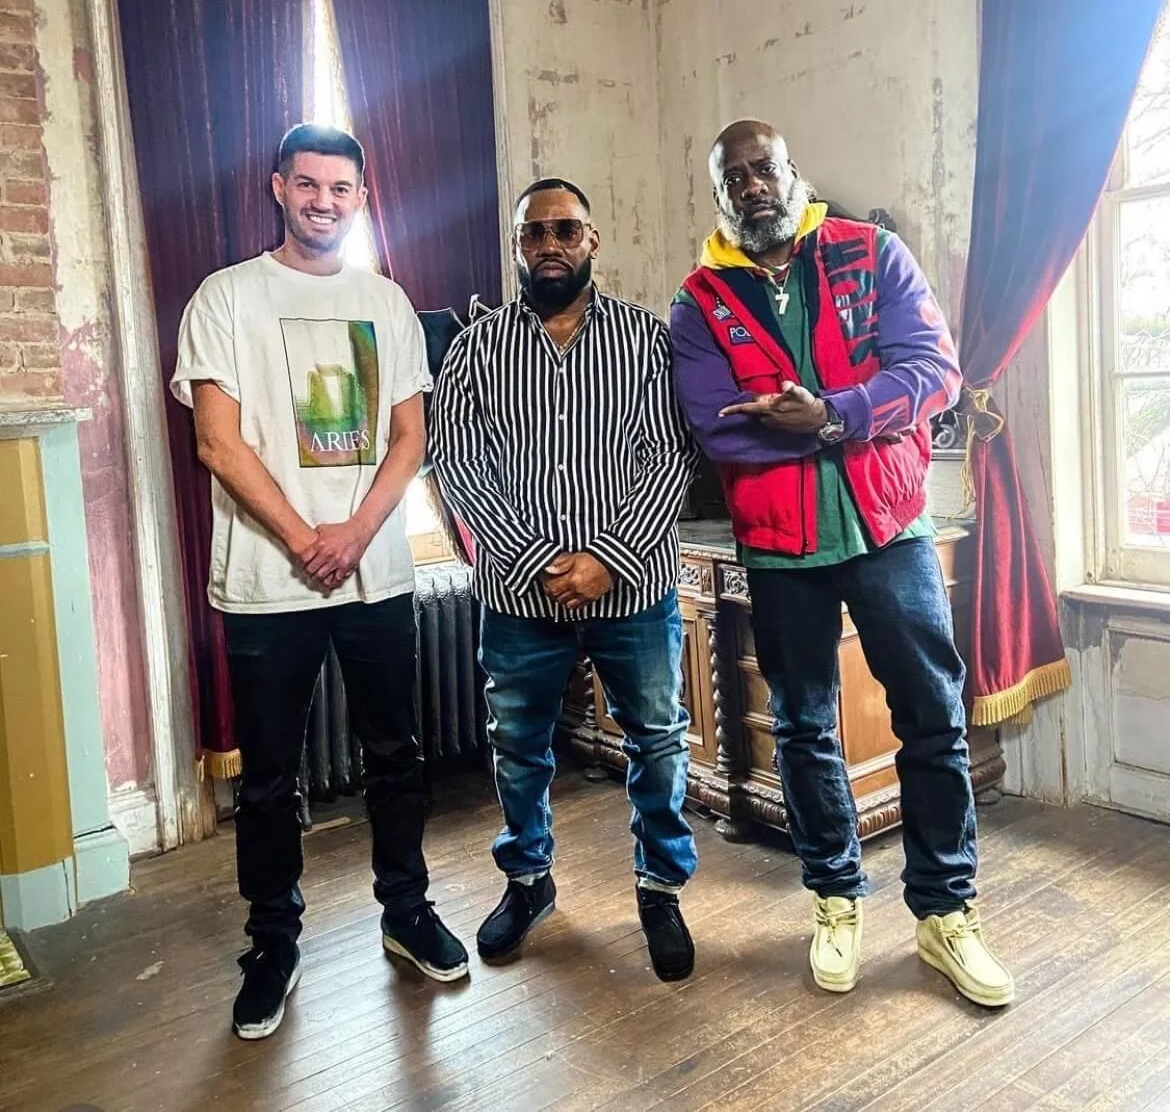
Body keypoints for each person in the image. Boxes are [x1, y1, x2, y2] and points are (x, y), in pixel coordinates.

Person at [669, 120, 1015, 1009]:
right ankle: (835, 898)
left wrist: (831, 415)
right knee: (802, 727)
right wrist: (849, 417)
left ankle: (946, 912)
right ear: (720, 195)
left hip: (892, 527)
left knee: (932, 719)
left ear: (795, 172)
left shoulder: (872, 253)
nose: (753, 185)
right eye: (735, 177)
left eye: (765, 168)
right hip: (781, 548)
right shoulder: (699, 300)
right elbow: (716, 425)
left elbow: (932, 373)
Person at [172, 123, 467, 1042]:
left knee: (396, 756)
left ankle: (406, 911)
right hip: (268, 584)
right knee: (268, 780)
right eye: (308, 184)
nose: (323, 202)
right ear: (278, 188)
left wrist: (354, 534)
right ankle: (272, 943)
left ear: (362, 198)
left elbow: (411, 438)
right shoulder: (226, 296)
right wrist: (307, 540)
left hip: (376, 579)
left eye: (341, 188)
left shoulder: (386, 300)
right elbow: (217, 442)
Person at [430, 178, 700, 982]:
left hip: (633, 589)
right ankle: (528, 881)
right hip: (520, 597)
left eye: (565, 229)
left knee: (657, 739)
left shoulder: (647, 340)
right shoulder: (476, 349)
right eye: (534, 232)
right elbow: (458, 462)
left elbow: (672, 454)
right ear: (517, 246)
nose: (550, 244)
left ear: (592, 240)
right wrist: (530, 561)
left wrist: (607, 558)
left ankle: (660, 888)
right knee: (518, 745)